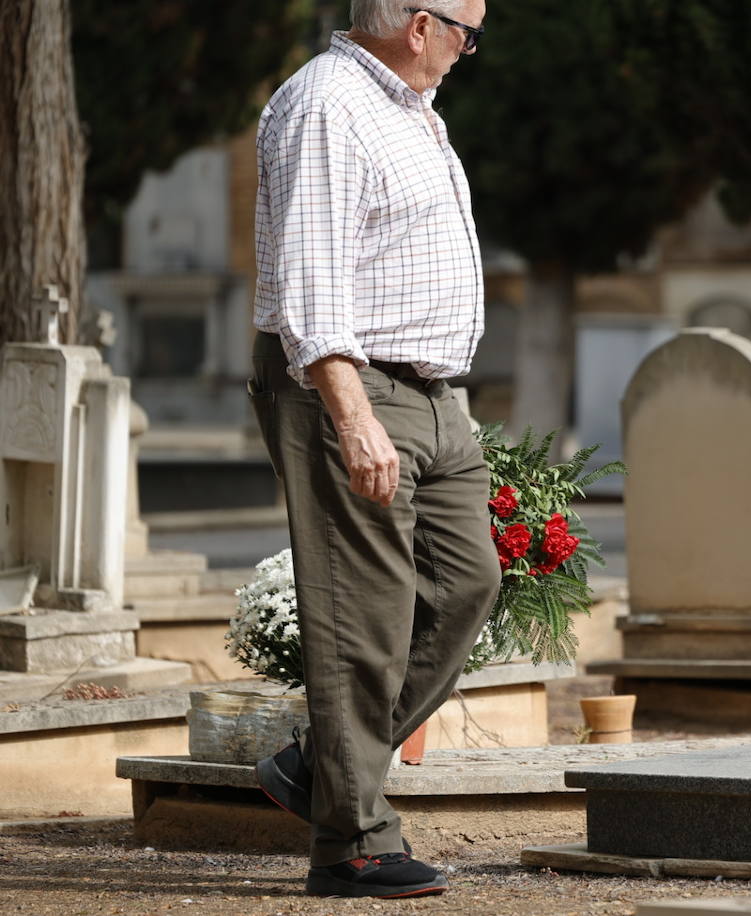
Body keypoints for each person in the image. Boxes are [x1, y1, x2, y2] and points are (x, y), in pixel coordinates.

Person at [246, 0, 497, 899]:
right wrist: (351, 414)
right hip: (352, 384)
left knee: (470, 582)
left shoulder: (405, 108)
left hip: (433, 392)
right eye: (467, 29)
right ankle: (351, 843)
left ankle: (321, 765)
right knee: (364, 620)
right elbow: (310, 276)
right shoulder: (326, 104)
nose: (472, 48)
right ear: (418, 25)